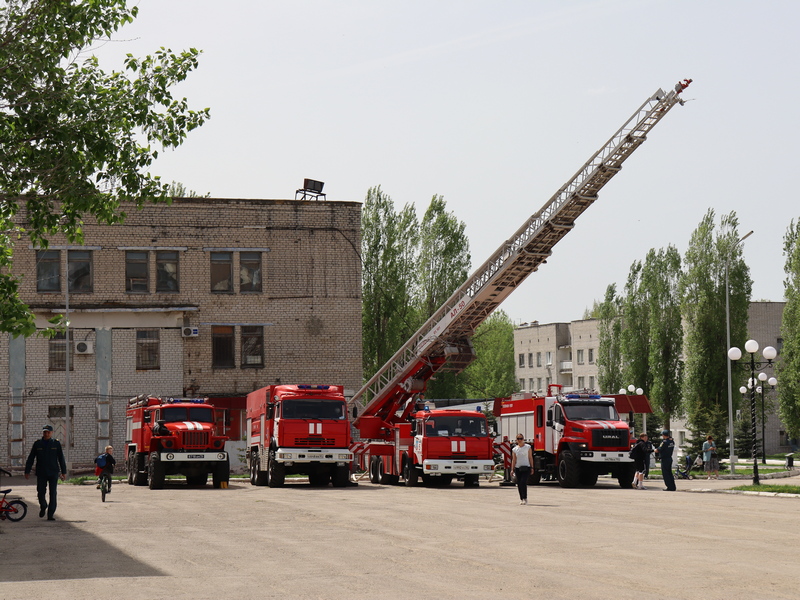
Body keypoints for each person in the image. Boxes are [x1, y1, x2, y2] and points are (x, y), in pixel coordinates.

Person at [24, 425, 67, 520]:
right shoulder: (37, 444)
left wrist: (64, 472)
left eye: (48, 432)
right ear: (43, 433)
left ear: (51, 433)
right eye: (45, 432)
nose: (46, 433)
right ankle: (43, 505)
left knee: (53, 493)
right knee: (40, 491)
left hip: (53, 472)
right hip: (41, 472)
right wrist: (27, 471)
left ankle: (50, 514)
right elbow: (31, 458)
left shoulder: (56, 444)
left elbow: (61, 458)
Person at [510, 434, 533, 505]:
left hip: (526, 467)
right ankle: (521, 498)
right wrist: (512, 469)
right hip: (518, 468)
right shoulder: (515, 449)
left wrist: (532, 467)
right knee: (519, 483)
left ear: (523, 439)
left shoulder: (528, 447)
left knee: (523, 482)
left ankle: (525, 498)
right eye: (518, 439)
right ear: (516, 440)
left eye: (521, 438)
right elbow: (514, 460)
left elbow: (530, 457)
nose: (519, 440)